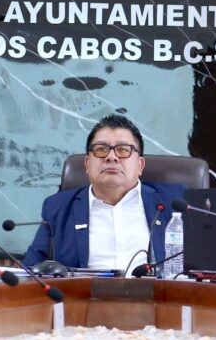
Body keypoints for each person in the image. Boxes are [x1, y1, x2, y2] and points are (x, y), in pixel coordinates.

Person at [22, 114, 186, 271]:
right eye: (101, 149)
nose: (112, 157)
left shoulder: (176, 201)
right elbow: (31, 270)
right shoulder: (58, 208)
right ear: (87, 164)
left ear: (140, 165)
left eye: (123, 150)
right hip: (82, 291)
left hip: (158, 291)